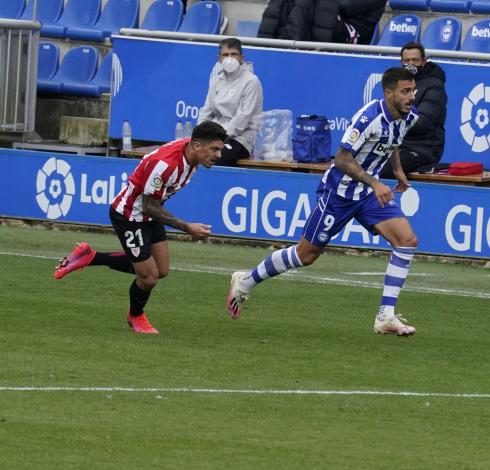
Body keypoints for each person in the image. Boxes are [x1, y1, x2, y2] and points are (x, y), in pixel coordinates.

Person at [227, 67, 420, 336]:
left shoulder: (408, 116)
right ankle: (246, 280)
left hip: (366, 195)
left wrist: (397, 170)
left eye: (413, 90)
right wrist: (375, 182)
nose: (412, 96)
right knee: (305, 255)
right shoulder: (367, 119)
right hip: (339, 193)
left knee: (407, 241)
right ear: (389, 93)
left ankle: (385, 316)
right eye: (405, 91)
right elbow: (341, 159)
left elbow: (392, 142)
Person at [53, 122, 228, 334]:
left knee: (161, 270)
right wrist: (187, 227)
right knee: (149, 277)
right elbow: (148, 205)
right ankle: (136, 316)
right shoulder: (166, 166)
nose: (218, 155)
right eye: (215, 149)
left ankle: (90, 256)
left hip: (151, 213)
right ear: (197, 146)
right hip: (130, 216)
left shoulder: (190, 153)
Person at [380, 42, 447, 179]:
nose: (410, 64)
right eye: (407, 60)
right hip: (397, 145)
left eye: (415, 60)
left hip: (423, 149)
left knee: (386, 169)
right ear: (401, 62)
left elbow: (423, 122)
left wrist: (394, 120)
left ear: (424, 61)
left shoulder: (434, 86)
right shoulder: (397, 84)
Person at [198, 38, 263, 166]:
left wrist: (217, 139)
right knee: (190, 152)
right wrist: (200, 134)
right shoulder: (217, 80)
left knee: (216, 158)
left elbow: (242, 119)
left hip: (240, 139)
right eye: (225, 55)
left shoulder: (251, 81)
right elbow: (206, 110)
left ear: (241, 57)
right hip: (214, 137)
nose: (230, 58)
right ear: (219, 58)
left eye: (234, 54)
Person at [258, 0, 386, 45]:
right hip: (327, 21)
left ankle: (295, 44)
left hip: (354, 31)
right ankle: (268, 45)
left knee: (322, 5)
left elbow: (346, 5)